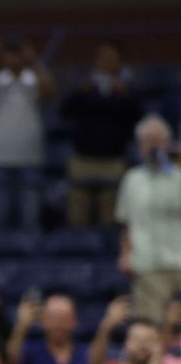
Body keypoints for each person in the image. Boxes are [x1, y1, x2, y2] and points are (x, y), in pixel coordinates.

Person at [61, 44, 142, 230]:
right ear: (96, 61)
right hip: (83, 159)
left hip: (114, 161)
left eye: (112, 59)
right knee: (77, 218)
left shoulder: (129, 89)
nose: (107, 63)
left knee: (111, 220)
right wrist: (80, 91)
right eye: (103, 58)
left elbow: (138, 119)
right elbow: (65, 112)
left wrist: (125, 95)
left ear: (120, 63)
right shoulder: (83, 87)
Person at [0, 39, 53, 233]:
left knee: (30, 219)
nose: (13, 59)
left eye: (17, 54)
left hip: (30, 156)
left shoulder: (33, 79)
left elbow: (50, 91)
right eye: (8, 54)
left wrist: (35, 62)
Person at [118, 115, 181, 324]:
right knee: (149, 327)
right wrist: (125, 253)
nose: (153, 146)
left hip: (179, 260)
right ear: (140, 146)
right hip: (147, 266)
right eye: (148, 140)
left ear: (168, 143)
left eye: (157, 140)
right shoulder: (131, 179)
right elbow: (125, 222)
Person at [7, 292, 87, 364]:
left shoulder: (86, 354)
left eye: (63, 319)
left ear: (74, 320)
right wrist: (21, 325)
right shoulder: (31, 350)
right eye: (53, 318)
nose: (58, 325)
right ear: (43, 320)